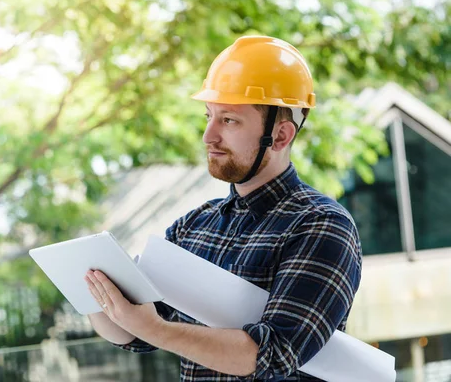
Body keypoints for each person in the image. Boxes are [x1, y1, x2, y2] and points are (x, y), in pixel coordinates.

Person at [84, 36, 362, 381]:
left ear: (280, 136)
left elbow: (271, 354)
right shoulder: (193, 227)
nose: (208, 136)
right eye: (209, 116)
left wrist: (154, 328)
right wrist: (89, 291)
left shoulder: (321, 226)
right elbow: (134, 333)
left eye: (229, 120)